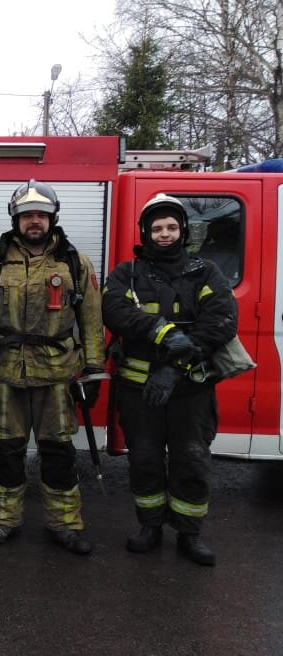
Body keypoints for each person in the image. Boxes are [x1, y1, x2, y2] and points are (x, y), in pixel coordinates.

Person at [0, 180, 104, 555]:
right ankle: (3, 520)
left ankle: (65, 524)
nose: (34, 221)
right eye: (27, 215)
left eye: (41, 214)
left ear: (52, 217)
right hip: (7, 371)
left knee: (58, 454)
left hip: (57, 374)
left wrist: (93, 369)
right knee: (7, 451)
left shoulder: (74, 261)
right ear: (16, 219)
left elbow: (91, 320)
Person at [102, 195, 237, 566]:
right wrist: (164, 333)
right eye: (157, 228)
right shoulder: (126, 274)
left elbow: (222, 320)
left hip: (191, 390)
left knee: (191, 460)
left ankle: (190, 534)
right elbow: (116, 313)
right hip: (138, 391)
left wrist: (176, 365)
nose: (164, 234)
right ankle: (150, 527)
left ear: (183, 231)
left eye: (172, 227)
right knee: (144, 460)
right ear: (146, 232)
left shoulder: (204, 271)